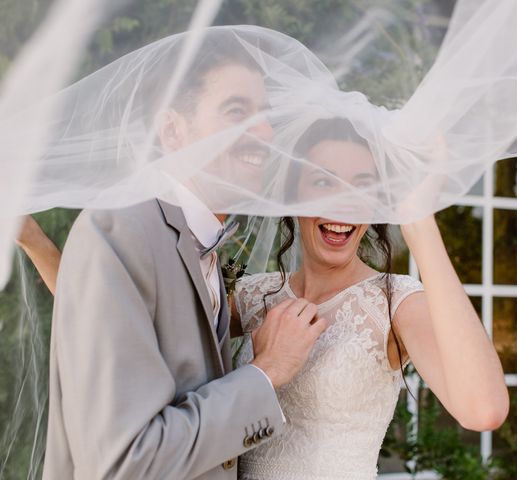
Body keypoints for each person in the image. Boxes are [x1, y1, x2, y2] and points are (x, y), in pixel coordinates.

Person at [33, 36, 327, 480]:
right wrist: (264, 373)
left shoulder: (199, 237)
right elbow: (127, 462)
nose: (265, 133)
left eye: (265, 115)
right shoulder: (118, 231)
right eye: (236, 111)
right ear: (172, 131)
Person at [231, 118, 509, 479]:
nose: (344, 204)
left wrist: (419, 222)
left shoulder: (394, 303)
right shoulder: (252, 296)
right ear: (293, 195)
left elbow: (482, 409)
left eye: (361, 186)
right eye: (322, 182)